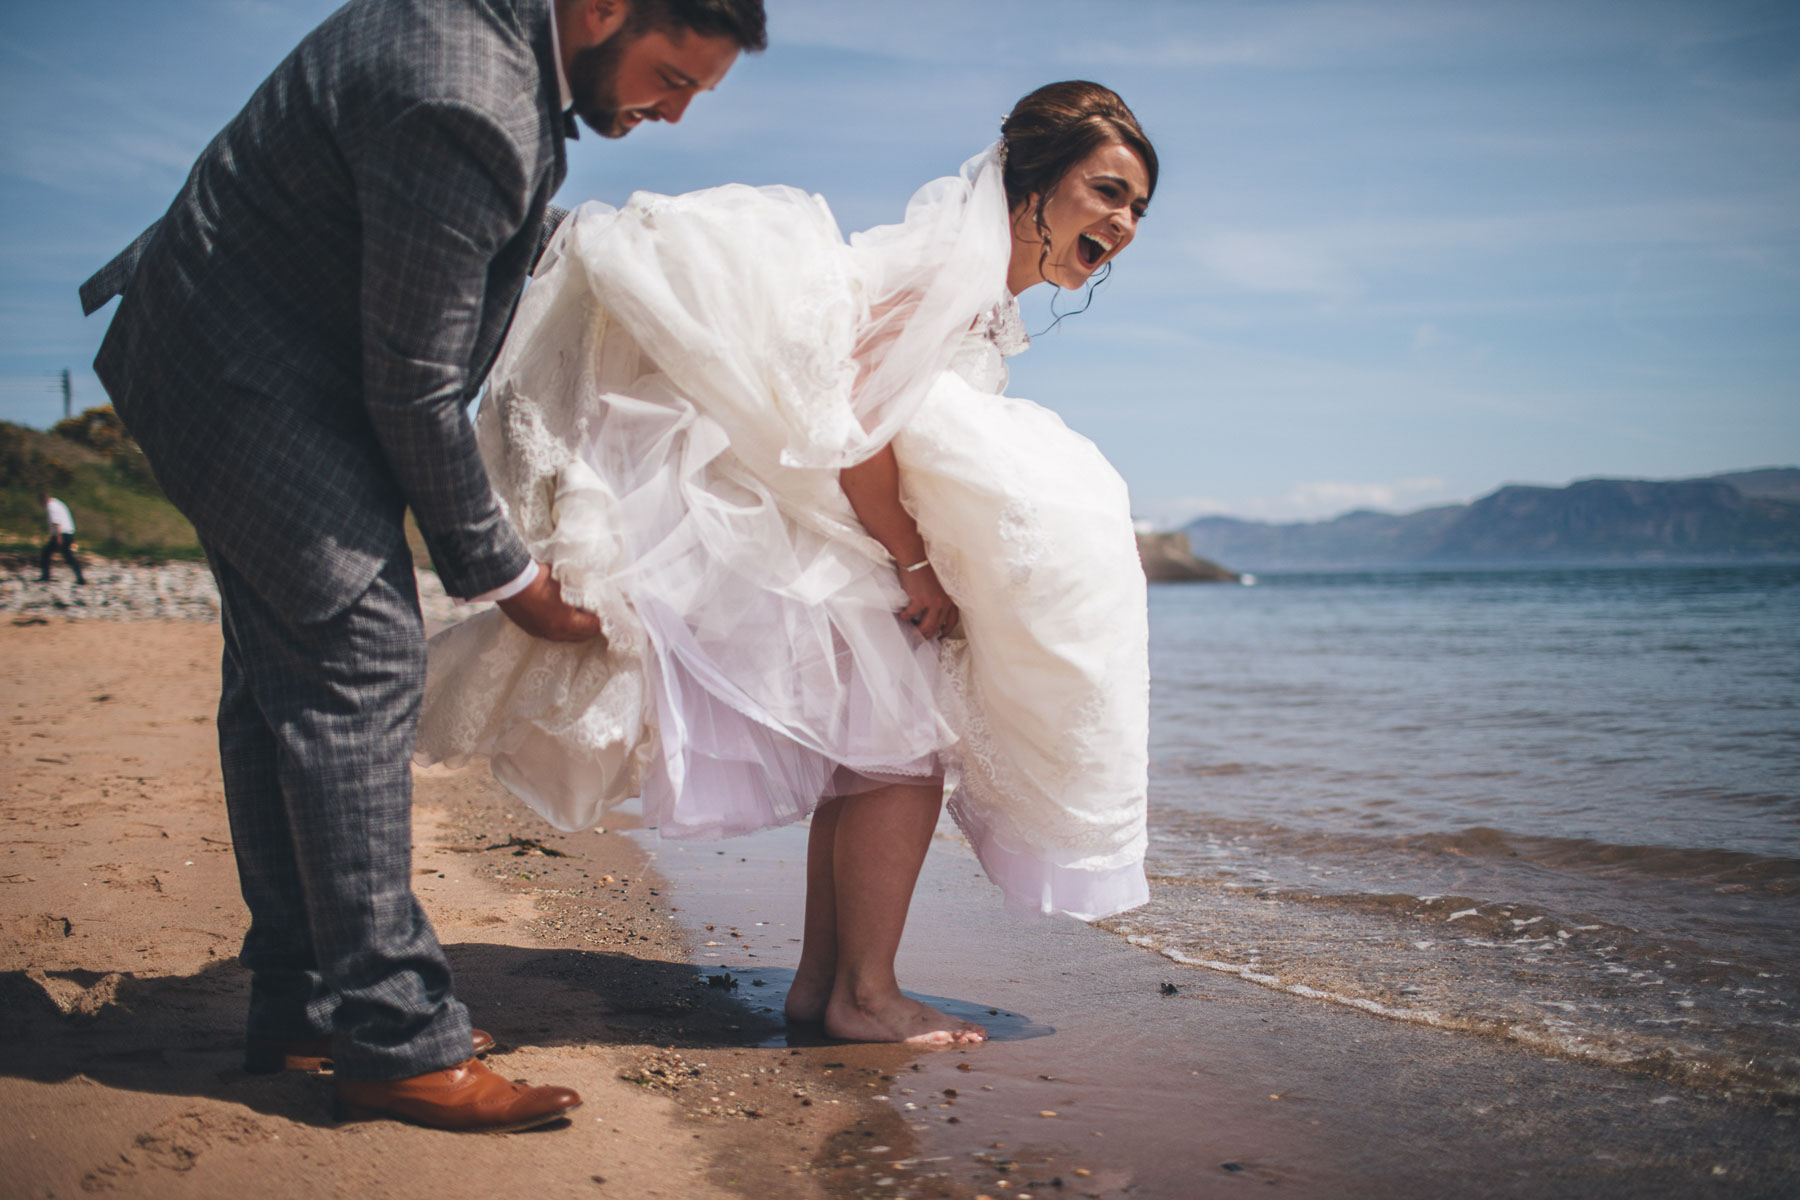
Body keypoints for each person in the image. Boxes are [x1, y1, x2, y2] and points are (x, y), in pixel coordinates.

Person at [76, 0, 766, 1132]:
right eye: (672, 76)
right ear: (602, 10)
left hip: (239, 349)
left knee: (280, 685)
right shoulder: (470, 93)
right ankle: (395, 1039)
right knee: (357, 666)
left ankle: (305, 1009)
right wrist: (512, 581)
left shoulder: (492, 48)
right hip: (248, 375)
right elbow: (413, 385)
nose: (676, 111)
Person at [418, 80, 1156, 1046]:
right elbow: (854, 421)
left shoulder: (979, 287)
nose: (1123, 221)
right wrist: (915, 564)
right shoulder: (953, 273)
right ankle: (866, 994)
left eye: (1137, 207)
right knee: (901, 762)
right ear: (1034, 185)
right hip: (825, 526)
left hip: (841, 527)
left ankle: (826, 987)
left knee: (875, 759)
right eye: (1106, 191)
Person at [37, 492, 85, 585]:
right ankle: (80, 578)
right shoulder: (58, 503)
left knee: (46, 553)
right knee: (68, 556)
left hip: (61, 534)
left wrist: (58, 538)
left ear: (43, 500)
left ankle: (45, 576)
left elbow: (56, 522)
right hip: (69, 533)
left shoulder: (51, 507)